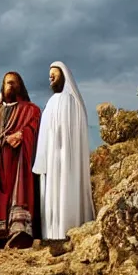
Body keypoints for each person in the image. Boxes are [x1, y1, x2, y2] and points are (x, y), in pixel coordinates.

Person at [0, 71, 42, 249]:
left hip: (18, 161)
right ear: (2, 87)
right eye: (7, 83)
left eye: (13, 82)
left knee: (18, 193)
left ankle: (20, 233)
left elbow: (34, 129)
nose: (10, 85)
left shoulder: (31, 110)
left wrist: (22, 134)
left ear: (20, 85)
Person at [32, 61, 95, 240]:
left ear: (64, 76)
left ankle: (68, 230)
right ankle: (52, 234)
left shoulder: (72, 102)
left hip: (69, 160)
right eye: (49, 74)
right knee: (53, 196)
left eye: (55, 73)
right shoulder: (51, 102)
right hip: (52, 161)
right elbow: (45, 135)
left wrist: (66, 154)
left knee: (67, 191)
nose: (50, 77)